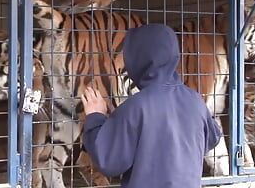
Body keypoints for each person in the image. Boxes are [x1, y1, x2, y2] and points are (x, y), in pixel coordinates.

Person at [82, 23, 221, 188]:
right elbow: (213, 137)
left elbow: (109, 161)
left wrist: (95, 117)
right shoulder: (195, 101)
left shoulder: (135, 107)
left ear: (137, 59)